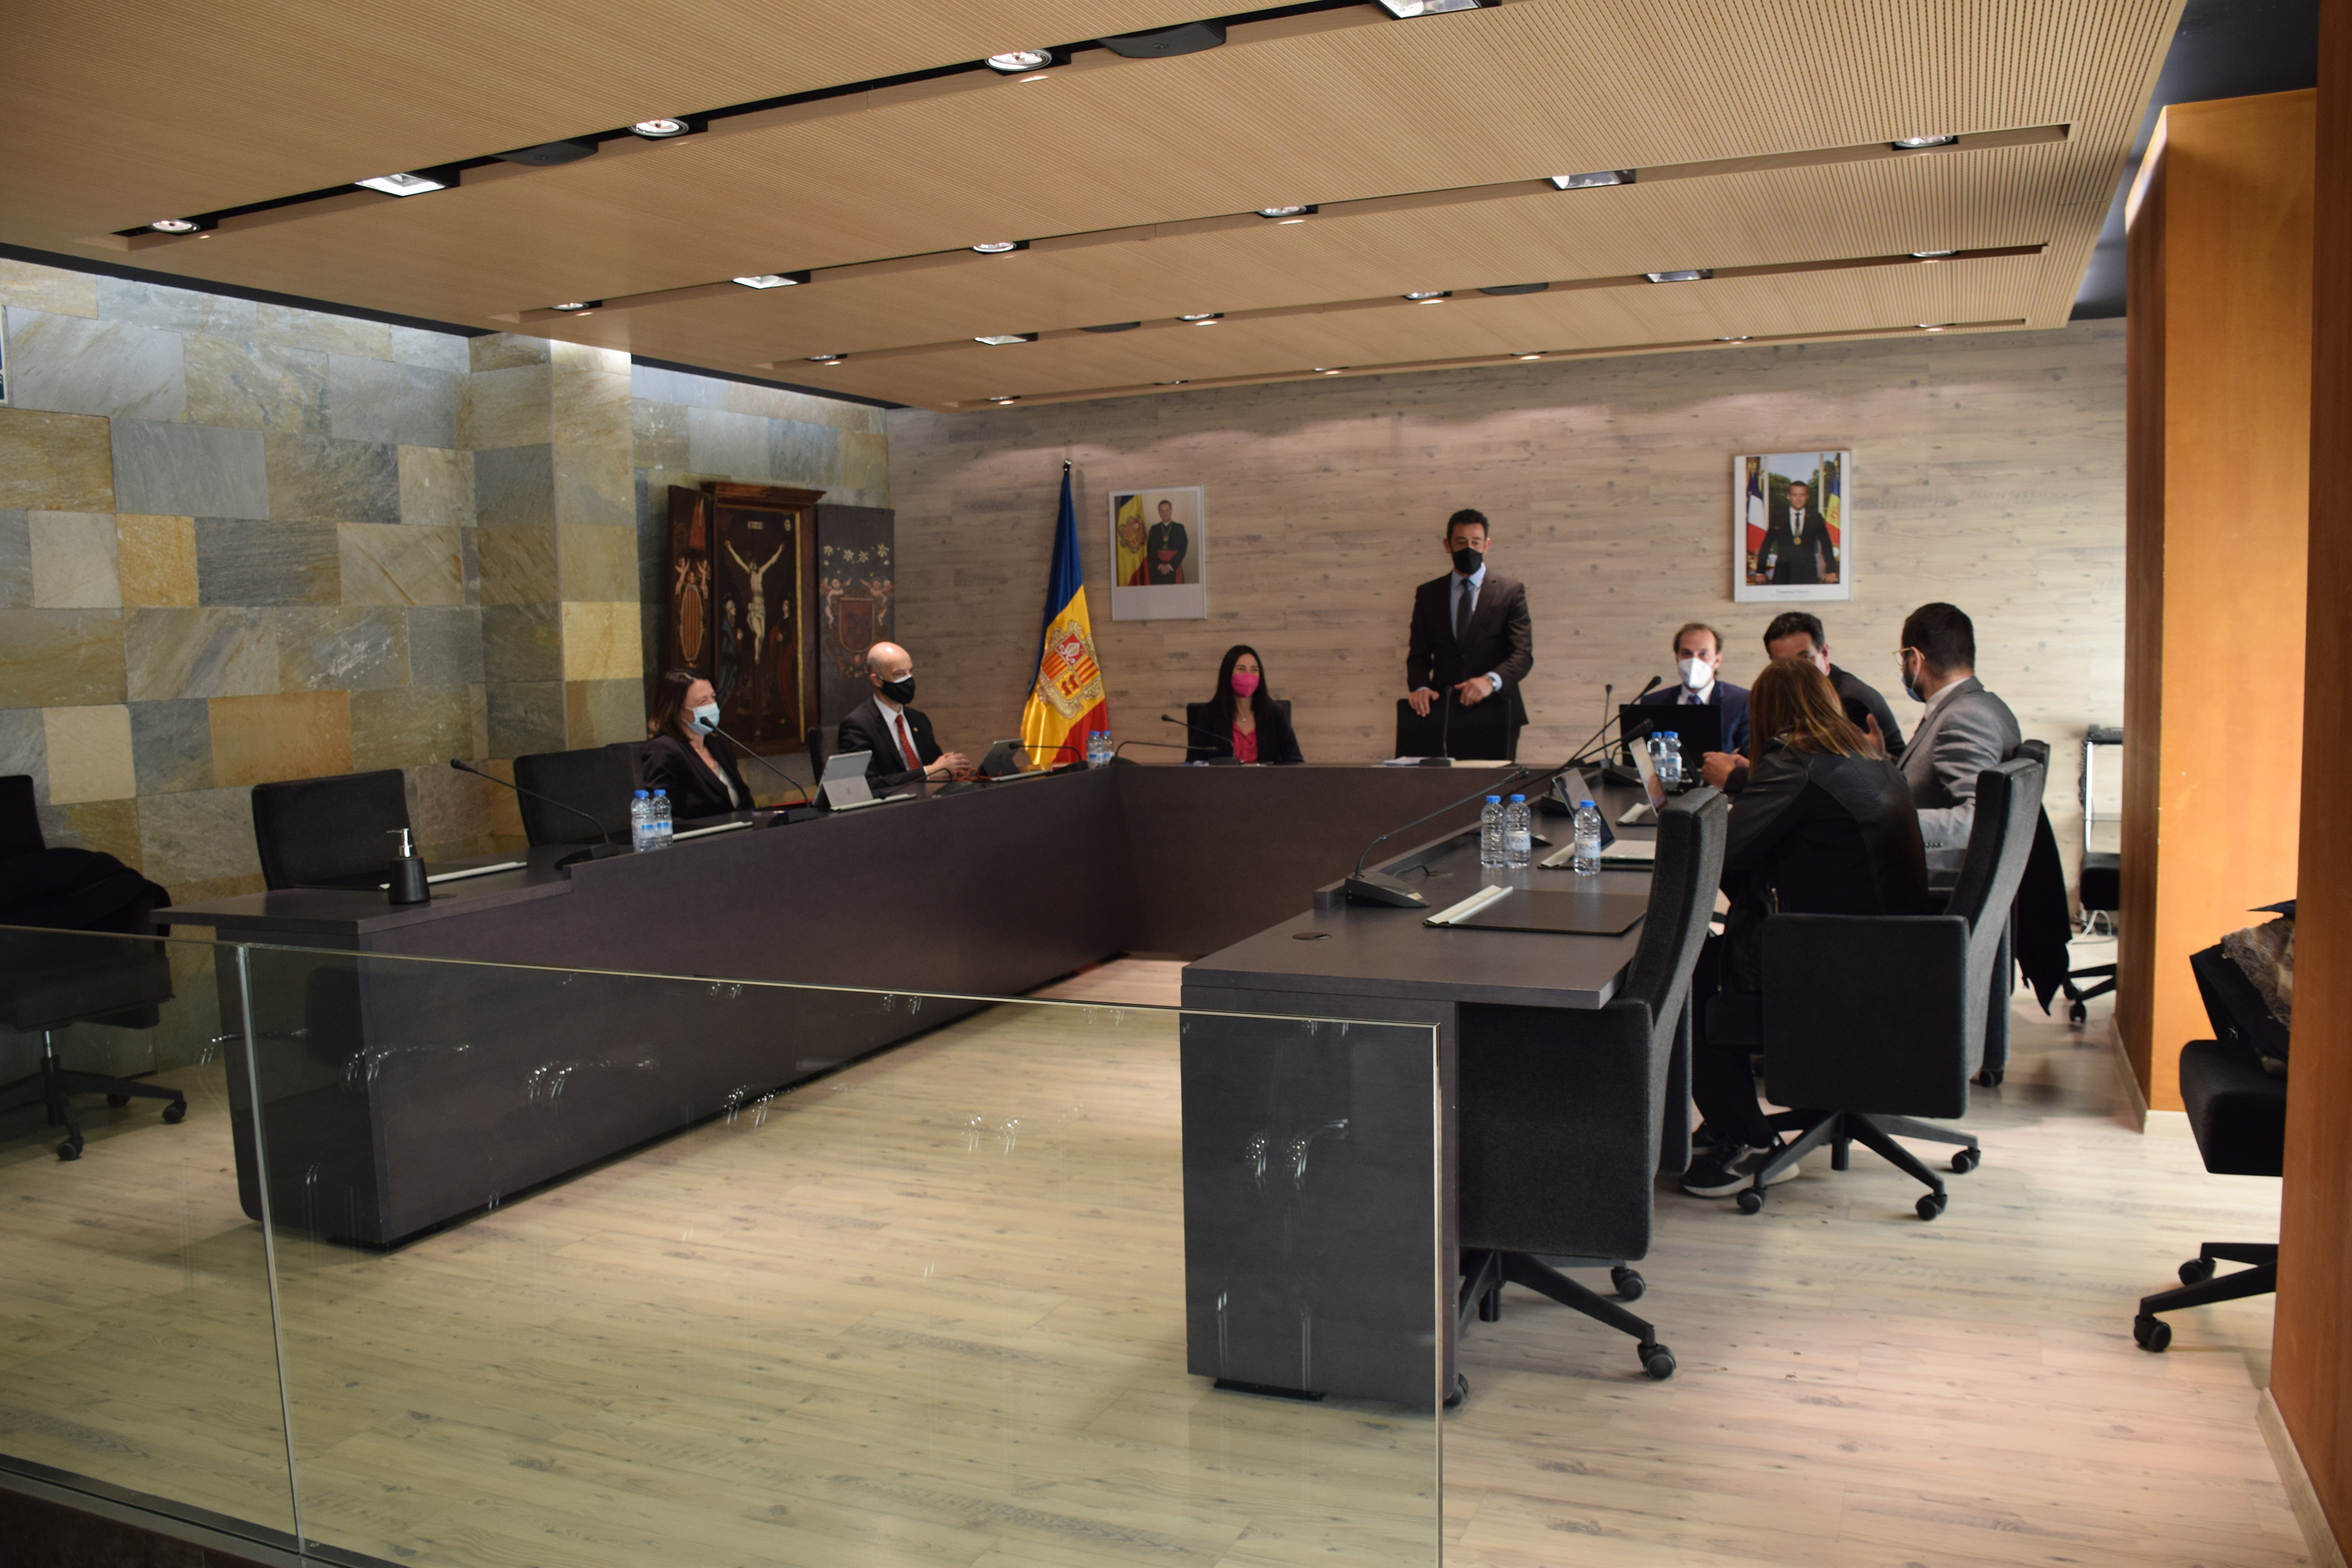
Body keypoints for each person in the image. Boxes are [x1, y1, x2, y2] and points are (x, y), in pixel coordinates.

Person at [1681, 657, 1930, 1197]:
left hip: (1833, 969)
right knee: (1710, 957)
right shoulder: (1865, 755)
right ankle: (1729, 1120)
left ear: (1767, 713)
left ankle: (1747, 1139)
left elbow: (1726, 854)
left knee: (1686, 975)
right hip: (1893, 960)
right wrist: (1751, 779)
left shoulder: (1792, 761)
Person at [1701, 611, 1904, 790]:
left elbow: (1825, 783)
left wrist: (1734, 777)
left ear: (1824, 653)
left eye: (1805, 659)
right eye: (1784, 665)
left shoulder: (1848, 700)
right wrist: (1757, 770)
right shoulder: (1800, 697)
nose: (1795, 673)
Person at [1891, 601, 2021, 861]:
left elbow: (1976, 821)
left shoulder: (1964, 717)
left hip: (1930, 875)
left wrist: (1885, 823)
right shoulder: (1986, 705)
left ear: (1915, 660)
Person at [1406, 509, 1533, 747]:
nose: (1469, 549)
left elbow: (1522, 654)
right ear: (1448, 545)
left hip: (1499, 711)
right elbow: (1418, 654)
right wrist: (1420, 686)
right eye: (1461, 542)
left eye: (1476, 542)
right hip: (1443, 712)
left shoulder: (1510, 591)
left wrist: (1491, 681)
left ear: (1487, 545)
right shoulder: (1428, 594)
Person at [836, 640, 970, 791]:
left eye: (910, 672)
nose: (908, 680)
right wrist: (927, 773)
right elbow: (866, 783)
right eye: (899, 674)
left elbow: (937, 767)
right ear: (877, 680)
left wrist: (950, 766)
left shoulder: (919, 719)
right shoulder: (858, 725)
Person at [643, 668, 754, 820]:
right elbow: (661, 815)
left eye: (713, 697)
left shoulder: (718, 744)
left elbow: (743, 799)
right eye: (702, 701)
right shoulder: (663, 750)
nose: (712, 705)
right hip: (698, 834)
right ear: (678, 709)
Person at [1639, 622, 1751, 755]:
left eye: (1703, 654)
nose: (1694, 661)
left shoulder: (1740, 701)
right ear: (1677, 658)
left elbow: (1750, 754)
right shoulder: (1652, 702)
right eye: (1686, 653)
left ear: (1717, 660)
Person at [1187, 645, 1304, 764]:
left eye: (1254, 670)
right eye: (1241, 669)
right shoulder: (1210, 714)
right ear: (1228, 674)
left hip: (1267, 777)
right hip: (1224, 777)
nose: (1248, 676)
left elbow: (1295, 761)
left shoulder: (1274, 713)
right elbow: (1193, 763)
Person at [1759, 479, 1838, 585]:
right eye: (1795, 495)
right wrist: (1760, 571)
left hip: (1808, 574)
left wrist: (1831, 571)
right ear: (1789, 496)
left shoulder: (1816, 518)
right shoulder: (1778, 518)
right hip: (1783, 574)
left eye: (1802, 495)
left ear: (1807, 497)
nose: (1798, 499)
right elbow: (1766, 545)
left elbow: (1826, 544)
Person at [1146, 500, 1190, 585]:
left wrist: (1170, 566)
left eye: (1167, 510)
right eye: (1162, 511)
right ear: (1159, 512)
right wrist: (1159, 566)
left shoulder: (1179, 528)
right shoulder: (1154, 529)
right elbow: (1150, 550)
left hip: (1174, 567)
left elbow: (1183, 549)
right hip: (1158, 570)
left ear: (1171, 511)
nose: (1164, 513)